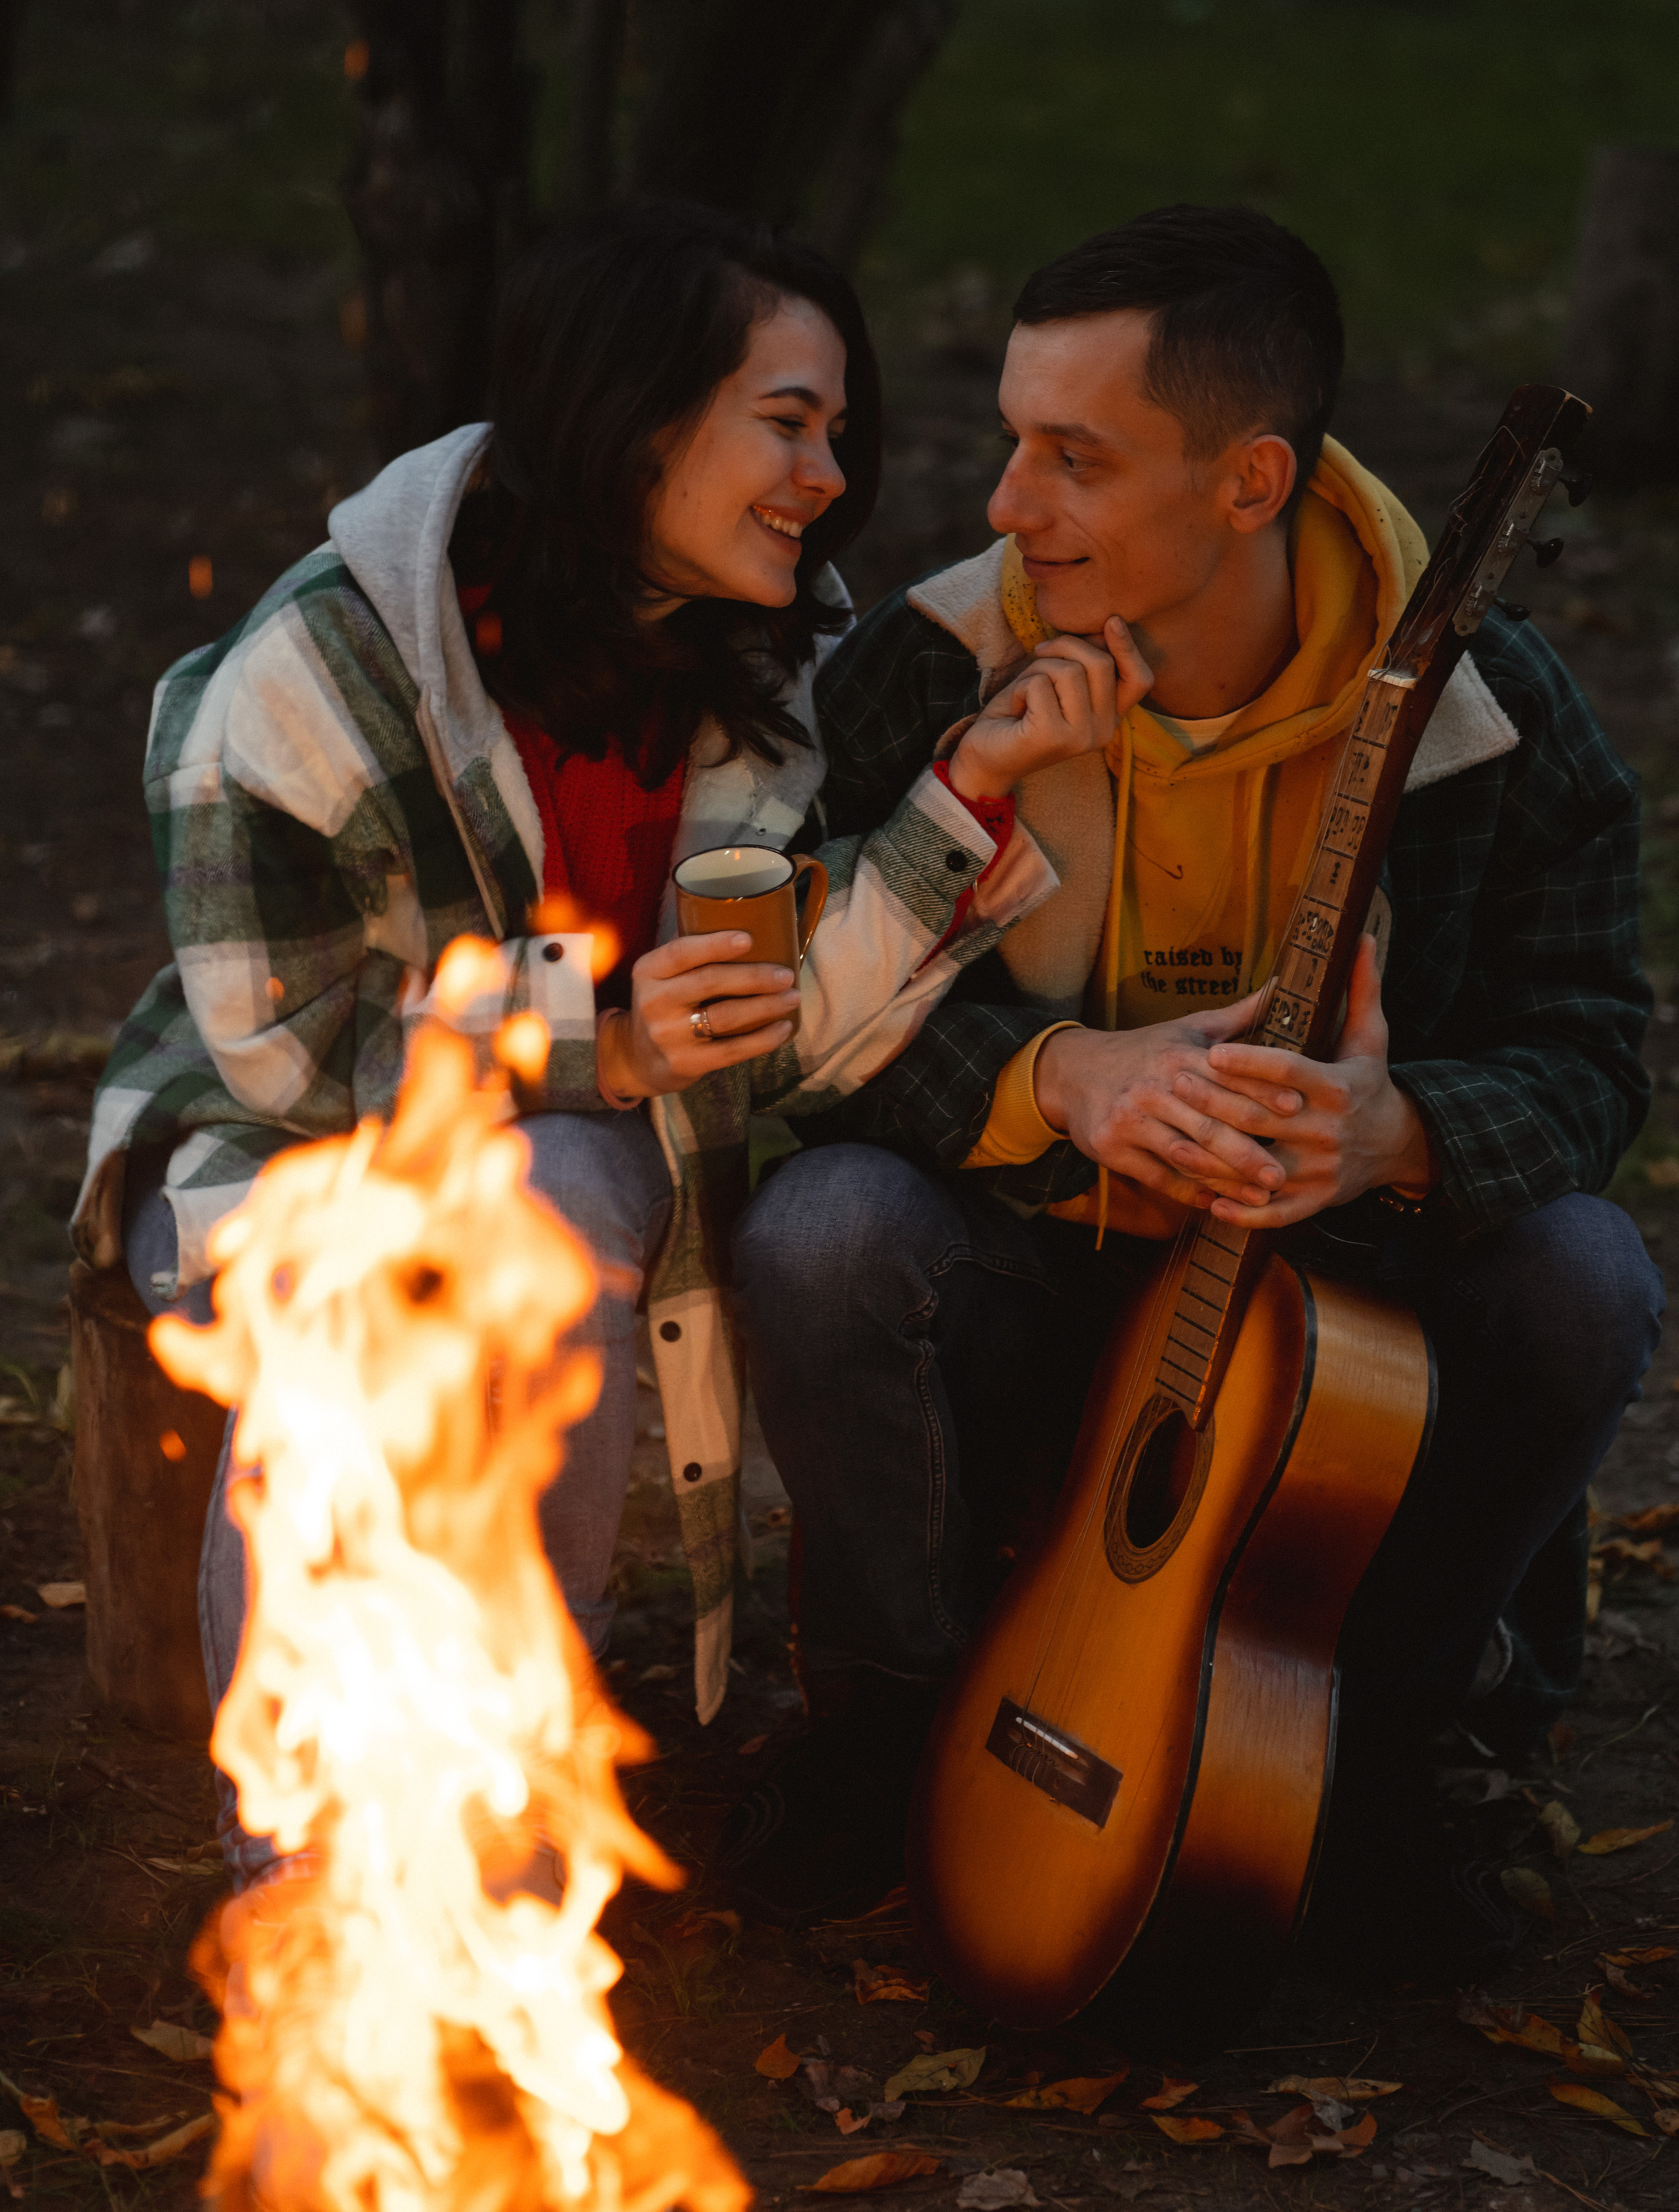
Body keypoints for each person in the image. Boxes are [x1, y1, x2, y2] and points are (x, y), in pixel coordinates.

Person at [73, 199, 1152, 1887]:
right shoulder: (320, 671)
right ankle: (314, 1870)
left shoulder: (767, 659)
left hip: (563, 1162)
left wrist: (972, 796)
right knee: (404, 1254)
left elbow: (777, 1040)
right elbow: (284, 1055)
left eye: (835, 435)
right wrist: (593, 1033)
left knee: (560, 1193)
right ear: (632, 417)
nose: (824, 477)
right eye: (785, 423)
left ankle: (503, 1807)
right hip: (274, 1156)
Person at [727, 204, 1662, 1976]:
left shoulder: (1487, 708)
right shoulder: (934, 672)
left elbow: (1594, 1052)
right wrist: (1057, 1078)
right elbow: (793, 1036)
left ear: (1250, 483)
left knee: (1584, 1278)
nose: (1008, 505)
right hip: (1040, 1279)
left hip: (1336, 1344)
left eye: (1073, 460)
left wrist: (1392, 1132)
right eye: (1013, 440)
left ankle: (1388, 1756)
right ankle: (882, 1726)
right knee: (826, 1232)